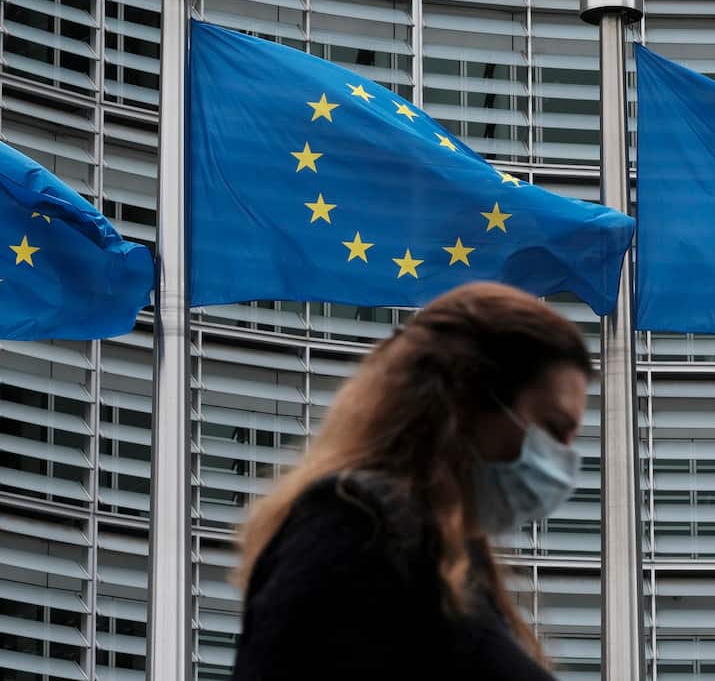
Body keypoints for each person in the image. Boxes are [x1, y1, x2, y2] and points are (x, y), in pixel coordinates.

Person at [230, 282, 590, 680]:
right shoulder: (355, 523)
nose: (565, 460)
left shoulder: (456, 570)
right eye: (554, 430)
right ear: (468, 397)